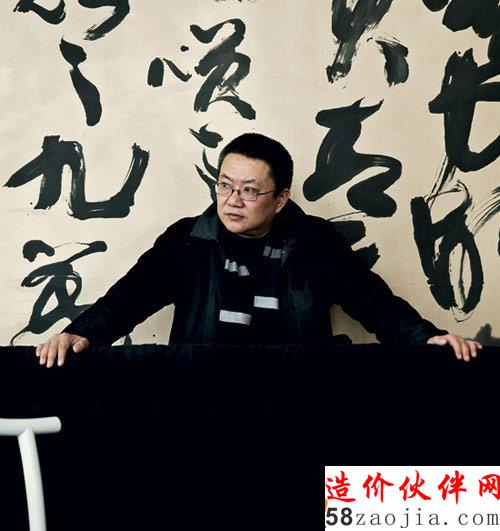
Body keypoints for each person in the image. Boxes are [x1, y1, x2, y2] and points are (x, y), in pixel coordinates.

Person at [36, 133, 481, 367]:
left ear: (281, 198)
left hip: (296, 404)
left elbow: (375, 303)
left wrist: (425, 338)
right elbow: (128, 297)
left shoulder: (316, 243)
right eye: (224, 185)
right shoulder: (187, 241)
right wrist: (81, 333)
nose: (232, 200)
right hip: (200, 403)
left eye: (249, 190)